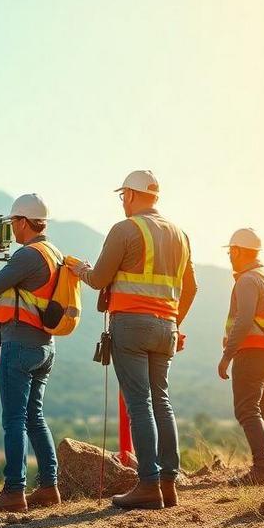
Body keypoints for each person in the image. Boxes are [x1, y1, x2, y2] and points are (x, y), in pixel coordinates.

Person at [72, 171, 197, 509]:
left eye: (122, 195)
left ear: (129, 194)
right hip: (166, 327)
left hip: (131, 325)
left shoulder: (125, 230)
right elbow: (192, 288)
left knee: (138, 404)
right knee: (162, 402)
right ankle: (168, 483)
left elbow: (99, 279)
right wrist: (172, 321)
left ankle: (147, 484)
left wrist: (80, 270)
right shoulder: (180, 234)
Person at [0, 193, 63, 512]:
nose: (12, 229)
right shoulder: (53, 252)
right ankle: (49, 486)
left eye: (14, 223)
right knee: (34, 416)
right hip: (44, 345)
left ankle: (14, 491)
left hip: (20, 344)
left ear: (24, 222)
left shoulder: (28, 256)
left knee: (13, 418)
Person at [218, 228, 264, 486]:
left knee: (246, 410)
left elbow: (244, 320)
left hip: (252, 353)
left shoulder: (247, 280)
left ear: (236, 251)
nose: (229, 257)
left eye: (230, 252)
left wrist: (227, 355)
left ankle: (262, 470)